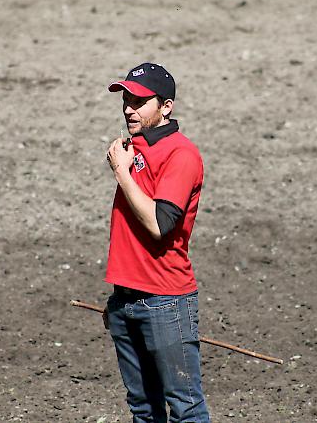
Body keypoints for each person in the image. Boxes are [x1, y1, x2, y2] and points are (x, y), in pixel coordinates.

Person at [102, 62, 210, 423]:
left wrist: (121, 172)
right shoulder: (132, 150)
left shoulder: (182, 155)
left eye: (140, 101)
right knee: (144, 411)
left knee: (185, 409)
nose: (129, 108)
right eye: (127, 99)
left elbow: (159, 224)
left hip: (165, 301)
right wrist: (118, 299)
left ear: (166, 107)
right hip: (126, 298)